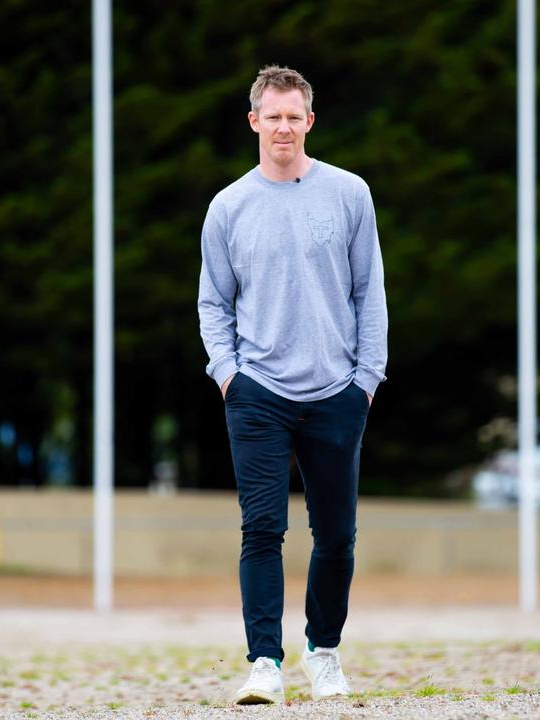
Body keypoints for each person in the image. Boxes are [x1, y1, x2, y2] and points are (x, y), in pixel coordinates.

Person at [197, 65, 388, 705]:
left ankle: (323, 653)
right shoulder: (228, 207)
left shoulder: (349, 194)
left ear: (310, 121)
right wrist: (229, 376)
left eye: (293, 116)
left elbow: (371, 293)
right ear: (253, 122)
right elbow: (212, 304)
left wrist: (366, 380)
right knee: (261, 530)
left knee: (336, 536)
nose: (283, 127)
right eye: (271, 116)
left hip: (338, 391)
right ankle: (264, 664)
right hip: (258, 393)